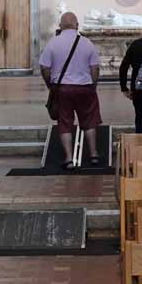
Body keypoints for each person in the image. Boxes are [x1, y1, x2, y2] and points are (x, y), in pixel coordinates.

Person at [39, 11, 102, 169]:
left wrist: (50, 84)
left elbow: (44, 67)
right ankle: (93, 154)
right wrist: (92, 86)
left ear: (60, 26)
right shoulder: (87, 43)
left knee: (64, 122)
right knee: (89, 121)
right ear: (77, 25)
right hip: (85, 88)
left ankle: (68, 159)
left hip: (62, 89)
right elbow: (94, 68)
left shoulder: (53, 43)